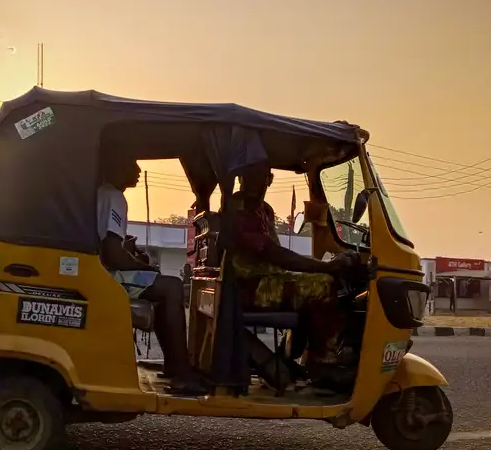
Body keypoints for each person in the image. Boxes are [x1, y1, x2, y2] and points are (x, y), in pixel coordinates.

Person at [229, 161, 360, 382]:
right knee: (323, 285)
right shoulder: (237, 207)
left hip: (268, 280)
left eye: (261, 176)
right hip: (250, 285)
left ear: (269, 180)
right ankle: (322, 363)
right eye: (249, 176)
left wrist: (322, 266)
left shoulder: (265, 209)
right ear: (240, 179)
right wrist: (323, 267)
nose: (255, 183)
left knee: (316, 284)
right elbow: (273, 253)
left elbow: (277, 255)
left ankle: (287, 357)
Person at [97, 152, 206, 396]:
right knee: (172, 287)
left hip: (98, 267)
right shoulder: (113, 196)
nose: (137, 171)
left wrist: (134, 258)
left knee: (162, 287)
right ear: (115, 166)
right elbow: (112, 254)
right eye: (131, 164)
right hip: (103, 274)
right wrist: (145, 268)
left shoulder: (104, 194)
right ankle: (180, 372)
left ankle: (174, 365)